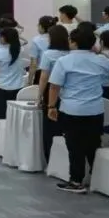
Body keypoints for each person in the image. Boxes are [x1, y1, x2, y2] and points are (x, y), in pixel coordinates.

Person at [46, 25, 109, 193]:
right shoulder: (101, 60)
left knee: (74, 146)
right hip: (95, 109)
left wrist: (51, 106)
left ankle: (76, 181)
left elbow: (54, 87)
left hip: (72, 109)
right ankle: (97, 177)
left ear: (74, 42)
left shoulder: (64, 61)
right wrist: (100, 52)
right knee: (94, 144)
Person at [37, 24, 71, 161]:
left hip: (51, 92)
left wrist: (39, 95)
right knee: (65, 126)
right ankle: (64, 158)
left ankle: (50, 158)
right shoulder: (70, 54)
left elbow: (43, 78)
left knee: (50, 127)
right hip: (68, 92)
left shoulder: (48, 54)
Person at [0, 26, 28, 122]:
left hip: (1, 88)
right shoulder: (20, 51)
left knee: (1, 118)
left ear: (4, 38)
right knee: (15, 119)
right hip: (18, 88)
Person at [29, 16, 57, 82]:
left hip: (42, 74)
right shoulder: (59, 38)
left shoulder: (36, 40)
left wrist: (29, 80)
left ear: (42, 27)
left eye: (38, 24)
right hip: (56, 73)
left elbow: (34, 64)